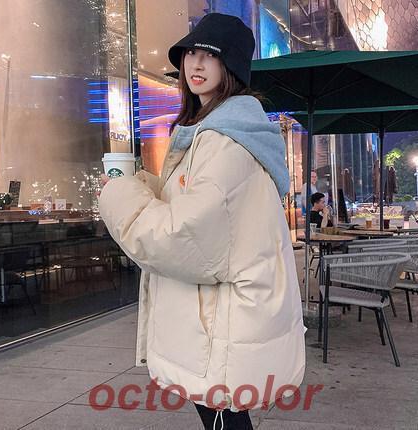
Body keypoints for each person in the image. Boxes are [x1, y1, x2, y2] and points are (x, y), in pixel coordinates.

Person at [98, 13, 305, 430]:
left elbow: (181, 236)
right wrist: (144, 184)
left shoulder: (223, 142)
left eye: (210, 55)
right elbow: (204, 210)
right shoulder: (220, 132)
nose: (195, 63)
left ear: (232, 66)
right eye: (191, 52)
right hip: (225, 319)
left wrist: (118, 194)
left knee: (225, 421)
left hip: (222, 325)